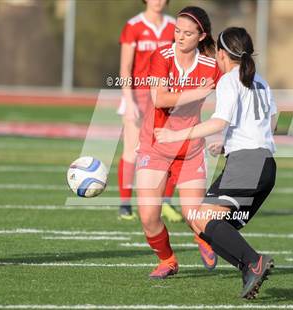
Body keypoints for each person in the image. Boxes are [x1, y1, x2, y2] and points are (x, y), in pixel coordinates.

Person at [155, 27, 277, 299]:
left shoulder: (229, 80)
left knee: (201, 217)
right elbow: (272, 122)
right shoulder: (261, 81)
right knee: (201, 221)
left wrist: (176, 134)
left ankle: (253, 262)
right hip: (266, 165)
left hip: (247, 163)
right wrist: (230, 143)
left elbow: (219, 122)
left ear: (222, 54)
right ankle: (249, 268)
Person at [136, 6, 222, 279]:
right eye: (177, 31)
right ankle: (168, 260)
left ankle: (204, 238)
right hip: (155, 145)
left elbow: (235, 94)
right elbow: (159, 99)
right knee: (149, 217)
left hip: (190, 149)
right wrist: (197, 92)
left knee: (193, 216)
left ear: (201, 36)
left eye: (187, 33)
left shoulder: (212, 67)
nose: (180, 37)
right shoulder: (161, 55)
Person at [118, 0, 182, 222]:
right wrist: (129, 100)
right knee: (132, 150)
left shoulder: (174, 26)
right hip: (139, 96)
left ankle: (165, 202)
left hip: (165, 97)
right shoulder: (133, 25)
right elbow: (125, 67)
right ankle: (125, 204)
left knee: (171, 151)